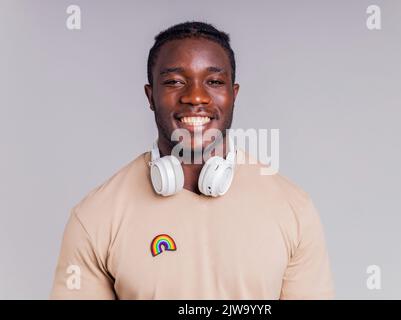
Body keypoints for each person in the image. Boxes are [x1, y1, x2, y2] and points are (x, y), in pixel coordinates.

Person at [50, 21, 335, 299]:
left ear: (232, 95)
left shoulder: (294, 210)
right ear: (151, 96)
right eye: (174, 82)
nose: (195, 96)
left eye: (213, 81)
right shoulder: (95, 217)